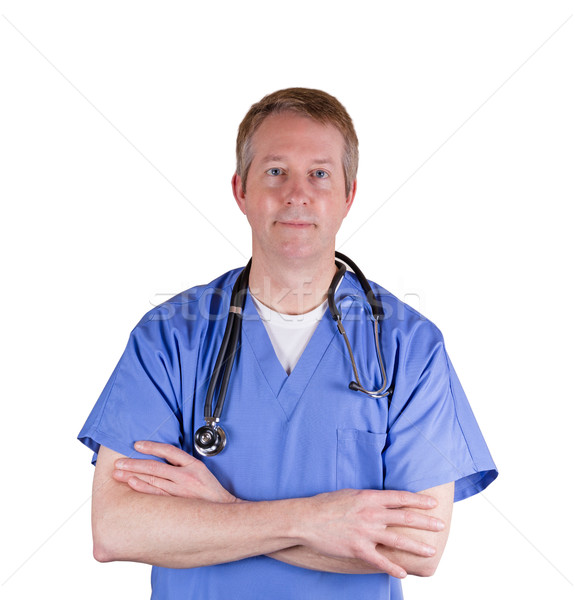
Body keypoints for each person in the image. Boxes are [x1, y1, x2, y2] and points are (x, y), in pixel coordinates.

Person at [78, 88, 497, 599]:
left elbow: (416, 548)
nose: (297, 193)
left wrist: (220, 510)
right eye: (276, 171)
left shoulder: (410, 346)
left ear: (349, 195)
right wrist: (315, 520)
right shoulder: (169, 337)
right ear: (241, 191)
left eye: (319, 173)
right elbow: (118, 528)